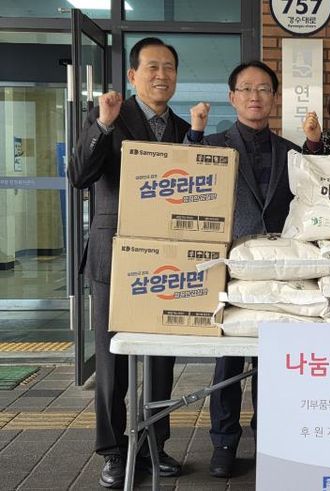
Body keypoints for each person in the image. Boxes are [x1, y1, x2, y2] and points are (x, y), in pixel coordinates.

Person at [68, 37, 188, 488]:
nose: (162, 75)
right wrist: (102, 123)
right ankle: (114, 451)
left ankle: (155, 443)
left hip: (168, 259)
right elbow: (79, 174)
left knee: (160, 360)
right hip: (113, 255)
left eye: (169, 67)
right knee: (112, 361)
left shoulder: (182, 129)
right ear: (134, 75)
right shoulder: (107, 118)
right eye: (152, 67)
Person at [186, 60, 299, 478]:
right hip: (231, 266)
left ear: (274, 98)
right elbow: (188, 175)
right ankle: (224, 442)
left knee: (274, 357)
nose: (255, 96)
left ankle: (269, 437)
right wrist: (194, 132)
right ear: (232, 97)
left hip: (279, 269)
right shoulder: (214, 145)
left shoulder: (291, 152)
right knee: (229, 359)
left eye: (264, 89)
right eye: (247, 89)